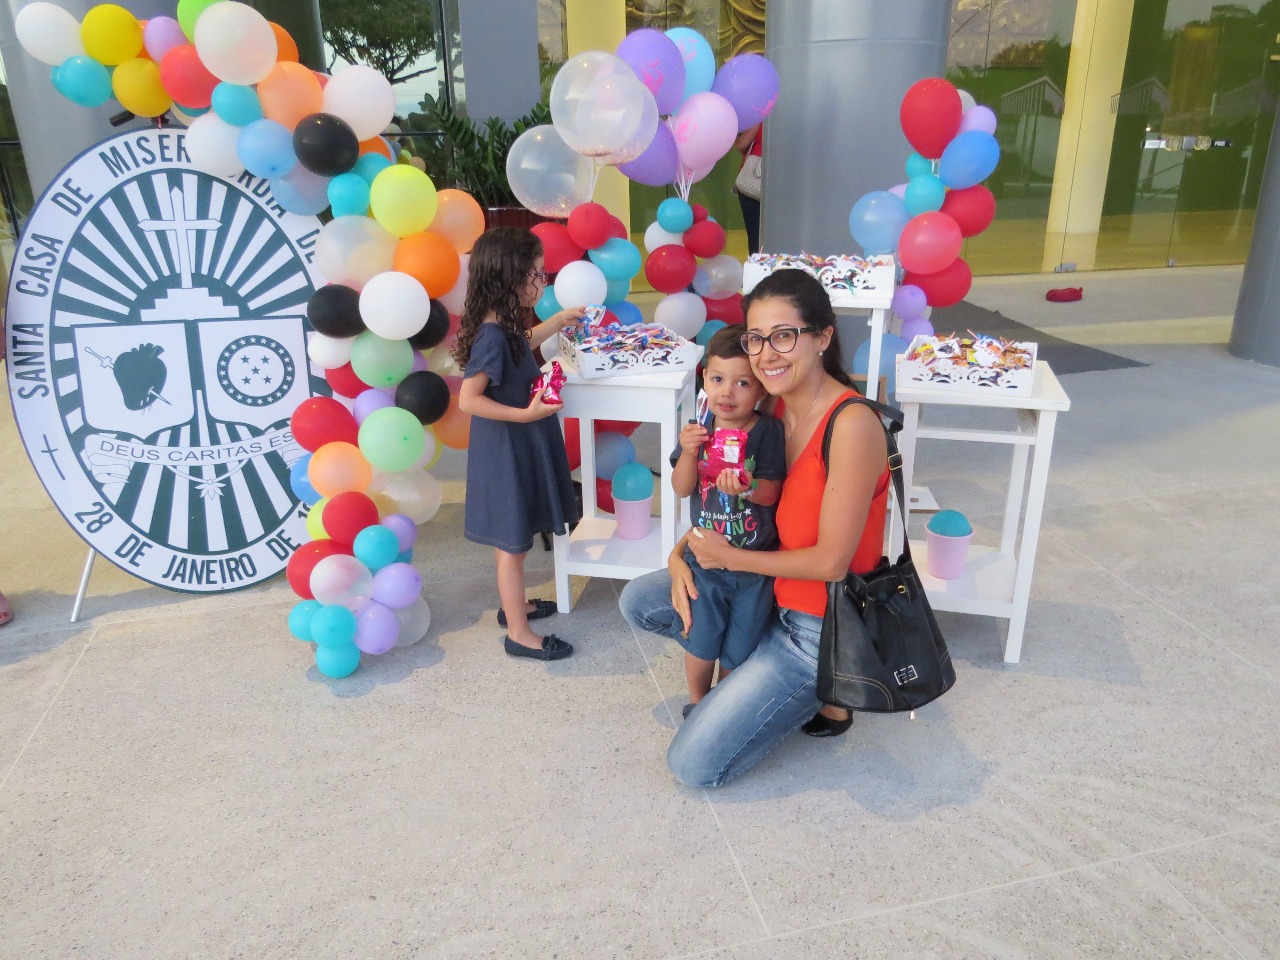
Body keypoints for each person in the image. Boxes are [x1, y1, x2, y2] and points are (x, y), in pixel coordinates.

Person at [619, 269, 890, 787]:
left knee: (693, 765)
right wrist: (681, 553)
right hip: (765, 588)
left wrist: (729, 558)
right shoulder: (770, 403)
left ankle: (822, 686)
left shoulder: (852, 425)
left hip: (815, 624)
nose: (766, 354)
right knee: (642, 599)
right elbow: (729, 503)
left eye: (784, 335)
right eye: (756, 338)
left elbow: (831, 562)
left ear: (823, 337)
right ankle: (749, 663)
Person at [453, 227, 584, 661]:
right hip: (505, 448)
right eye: (537, 274)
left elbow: (520, 348)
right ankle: (519, 633)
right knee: (512, 545)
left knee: (514, 537)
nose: (542, 281)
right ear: (511, 278)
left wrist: (557, 322)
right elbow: (469, 399)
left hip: (513, 444)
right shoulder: (492, 335)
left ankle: (516, 607)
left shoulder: (502, 324)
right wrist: (525, 415)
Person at [670, 326, 785, 717]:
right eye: (718, 379)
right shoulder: (698, 430)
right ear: (704, 378)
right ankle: (698, 705)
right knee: (701, 642)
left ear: (761, 390)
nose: (727, 393)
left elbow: (773, 492)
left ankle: (721, 708)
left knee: (739, 647)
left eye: (742, 383)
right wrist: (689, 453)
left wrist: (749, 488)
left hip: (754, 567)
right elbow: (681, 488)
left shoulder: (768, 432)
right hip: (704, 564)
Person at [732, 123, 763, 255]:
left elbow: (742, 144)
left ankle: (757, 265)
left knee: (755, 237)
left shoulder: (762, 117)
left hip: (752, 181)